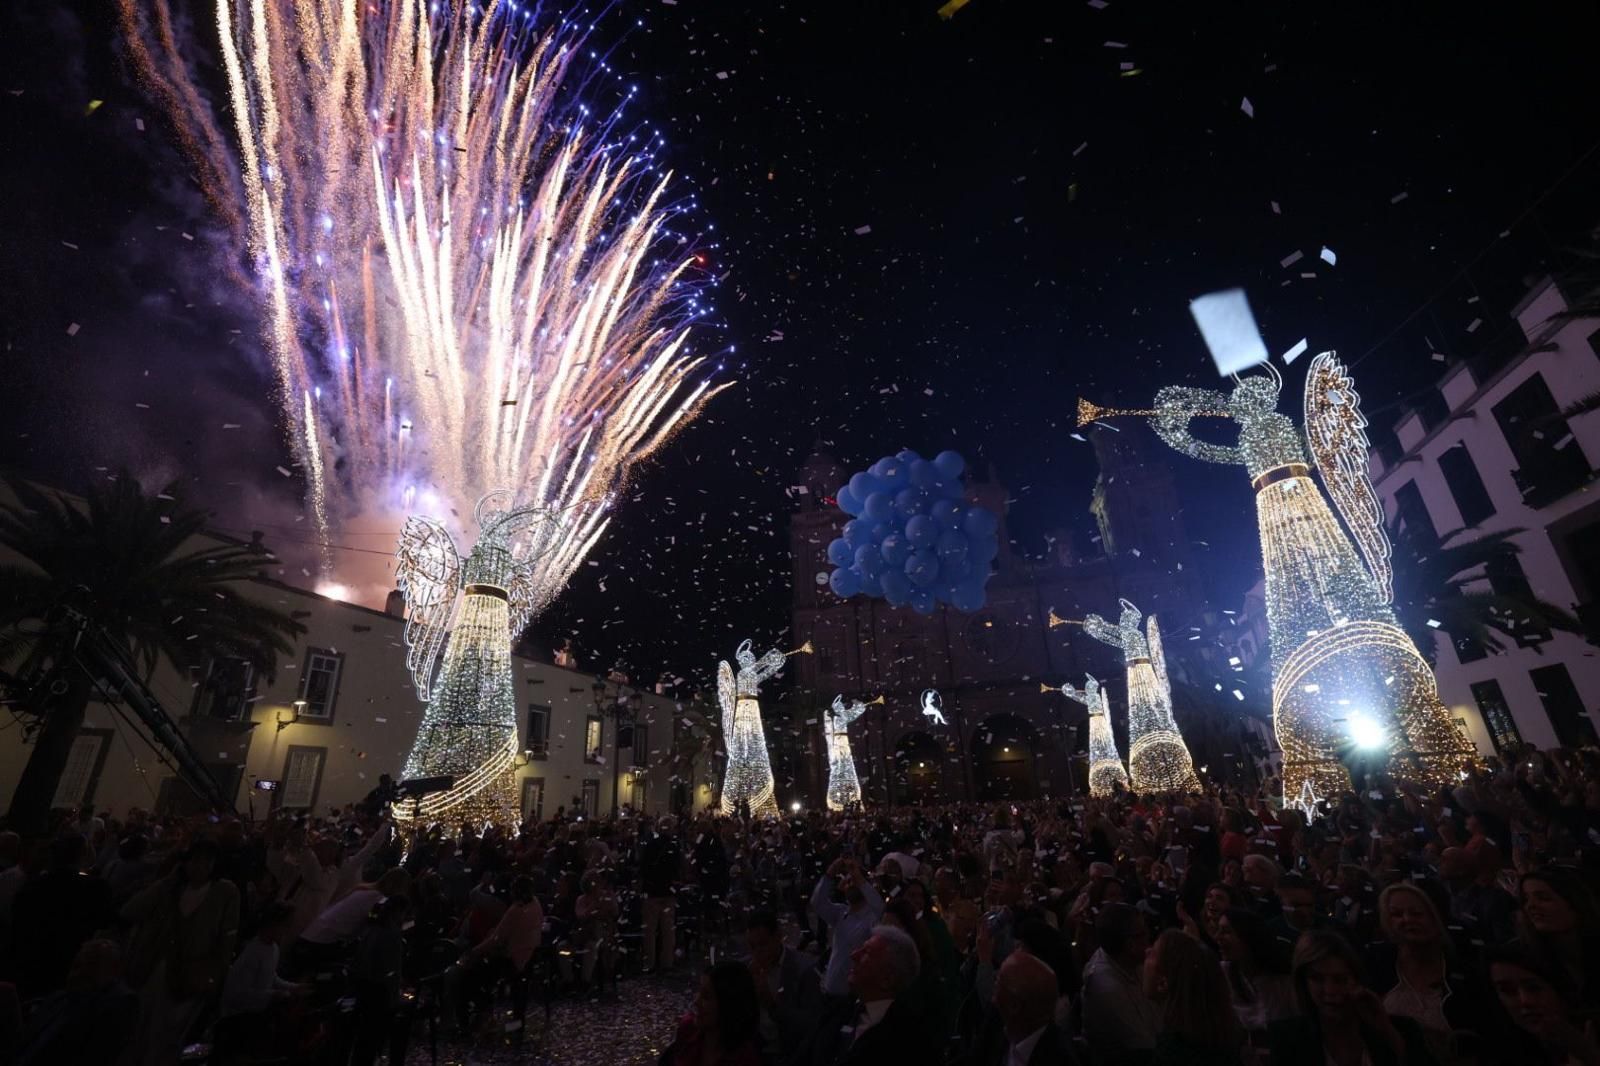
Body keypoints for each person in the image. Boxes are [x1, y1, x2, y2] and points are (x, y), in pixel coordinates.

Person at [121, 839, 241, 1066]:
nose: (200, 867)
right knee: (140, 1028)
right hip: (154, 968)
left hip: (190, 976)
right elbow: (131, 909)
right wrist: (168, 880)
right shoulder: (171, 888)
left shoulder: (225, 892)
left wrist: (216, 975)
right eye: (195, 860)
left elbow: (227, 939)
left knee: (169, 1034)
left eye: (207, 862)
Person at [1267, 930, 1437, 1066]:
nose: (1330, 990)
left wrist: (1387, 1031)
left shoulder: (1403, 1029)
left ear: (1357, 980)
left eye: (1340, 979)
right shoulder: (1286, 1037)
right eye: (1318, 979)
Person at [1366, 882, 1491, 1064]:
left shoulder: (1467, 972)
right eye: (1396, 914)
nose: (1407, 919)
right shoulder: (1376, 964)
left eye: (1416, 913)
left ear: (1436, 916)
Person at [813, 925, 938, 1066]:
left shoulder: (910, 1039)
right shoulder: (837, 1010)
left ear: (887, 979)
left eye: (867, 952)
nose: (854, 955)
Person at [14, 939, 138, 1066]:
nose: (78, 974)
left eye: (91, 968)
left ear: (111, 975)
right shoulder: (58, 999)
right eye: (77, 965)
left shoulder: (108, 1012)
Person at [1484, 942, 1600, 1066]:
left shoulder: (1592, 1033)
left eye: (1534, 988)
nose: (1524, 1001)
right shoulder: (1502, 1050)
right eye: (1507, 990)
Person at [1143, 929, 1243, 1066]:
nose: (1146, 951)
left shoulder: (1173, 1051)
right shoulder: (1223, 1035)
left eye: (1153, 953)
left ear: (1163, 983)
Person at [1080, 902, 1159, 1065]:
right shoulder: (1107, 989)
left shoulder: (1126, 958)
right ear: (1130, 944)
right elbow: (1146, 1045)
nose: (1149, 936)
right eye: (1143, 933)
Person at [745, 909, 821, 1066]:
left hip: (790, 1052)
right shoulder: (747, 967)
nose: (758, 952)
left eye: (763, 945)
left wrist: (772, 1005)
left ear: (778, 937)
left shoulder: (804, 970)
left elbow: (811, 1025)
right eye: (752, 947)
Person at [1515, 867, 1600, 1003]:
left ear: (1574, 903)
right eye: (1526, 899)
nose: (1530, 906)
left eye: (1543, 898)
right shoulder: (1522, 958)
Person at [1214, 907, 1294, 1046]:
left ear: (1248, 936)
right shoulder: (1222, 974)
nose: (1217, 937)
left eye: (1226, 932)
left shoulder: (1283, 981)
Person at [662, 961, 764, 1066]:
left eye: (706, 996)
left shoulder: (744, 1059)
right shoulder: (688, 1029)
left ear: (728, 1006)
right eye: (699, 991)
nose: (696, 1001)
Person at [811, 858, 884, 1005]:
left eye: (855, 881)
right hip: (830, 991)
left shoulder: (873, 916)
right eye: (848, 881)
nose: (851, 884)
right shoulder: (841, 913)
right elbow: (817, 903)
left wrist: (858, 876)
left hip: (855, 997)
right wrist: (830, 873)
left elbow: (879, 906)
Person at [990, 949, 1077, 1066]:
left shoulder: (1060, 1059)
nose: (993, 999)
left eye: (997, 986)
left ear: (1014, 1006)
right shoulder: (995, 1024)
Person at [641, 817, 682, 974]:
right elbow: (677, 867)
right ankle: (667, 962)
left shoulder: (651, 845)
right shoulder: (674, 846)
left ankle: (649, 962)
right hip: (668, 891)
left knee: (650, 931)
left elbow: (644, 866)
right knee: (668, 930)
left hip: (652, 891)